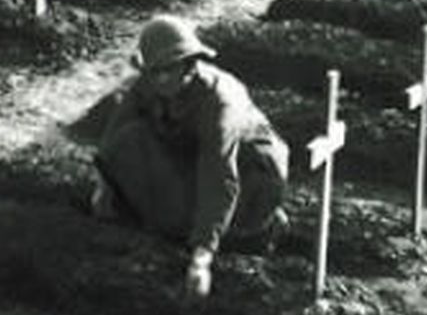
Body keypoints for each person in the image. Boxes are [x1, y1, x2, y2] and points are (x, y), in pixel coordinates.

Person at [91, 16, 289, 299]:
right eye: (153, 72)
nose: (159, 79)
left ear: (189, 64)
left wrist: (201, 259)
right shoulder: (152, 82)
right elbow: (116, 130)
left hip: (252, 174)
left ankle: (251, 231)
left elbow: (220, 175)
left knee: (192, 222)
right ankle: (192, 221)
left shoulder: (220, 102)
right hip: (195, 156)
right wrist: (104, 185)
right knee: (131, 140)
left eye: (166, 71)